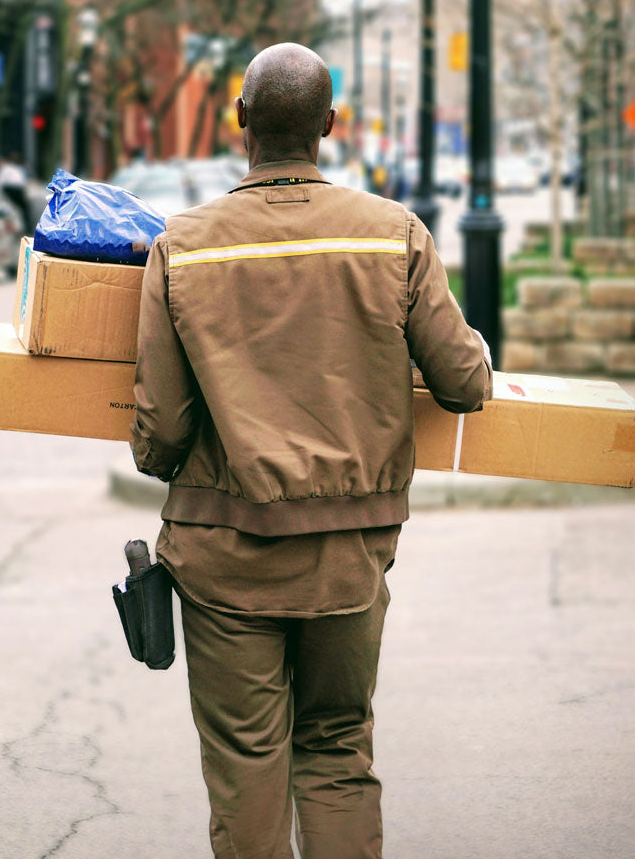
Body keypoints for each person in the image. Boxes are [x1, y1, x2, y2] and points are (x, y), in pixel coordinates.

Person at [130, 43, 492, 858]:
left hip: (225, 558)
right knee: (334, 751)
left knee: (247, 765)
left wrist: (164, 457)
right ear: (329, 126)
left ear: (240, 123)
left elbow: (161, 433)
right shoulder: (392, 236)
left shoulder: (181, 247)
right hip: (348, 559)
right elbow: (465, 383)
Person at [0, 150, 30, 235]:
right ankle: (19, 228)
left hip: (17, 190)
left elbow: (22, 182)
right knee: (17, 209)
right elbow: (0, 182)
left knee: (23, 209)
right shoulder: (6, 168)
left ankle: (25, 228)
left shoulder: (19, 168)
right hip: (10, 190)